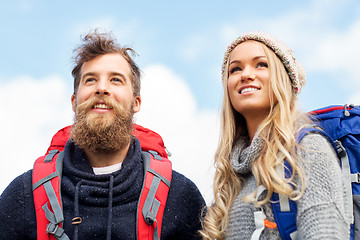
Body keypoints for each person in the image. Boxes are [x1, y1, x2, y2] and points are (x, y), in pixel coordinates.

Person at [0, 30, 205, 240]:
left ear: (136, 103)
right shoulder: (23, 196)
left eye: (116, 80)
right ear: (74, 101)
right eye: (90, 80)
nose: (102, 88)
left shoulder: (180, 196)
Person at [200, 31, 351, 240]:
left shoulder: (309, 149)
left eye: (261, 64)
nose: (245, 75)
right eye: (235, 69)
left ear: (284, 79)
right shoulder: (232, 173)